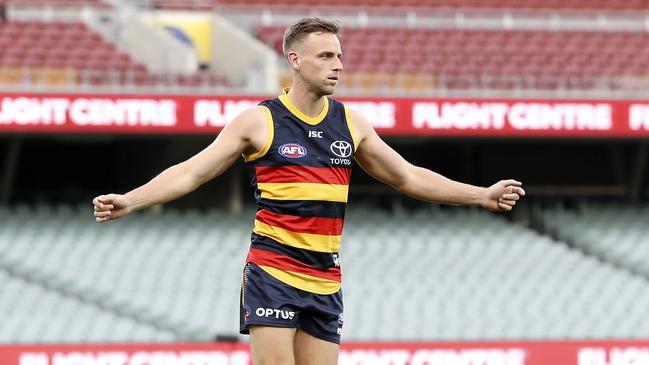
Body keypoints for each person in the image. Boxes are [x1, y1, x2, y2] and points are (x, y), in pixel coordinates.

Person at [93, 17, 525, 365]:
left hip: (325, 279)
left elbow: (407, 176)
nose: (338, 64)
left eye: (339, 55)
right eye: (326, 56)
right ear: (296, 61)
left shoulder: (350, 123)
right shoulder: (258, 122)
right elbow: (190, 173)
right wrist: (132, 199)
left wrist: (480, 195)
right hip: (272, 273)